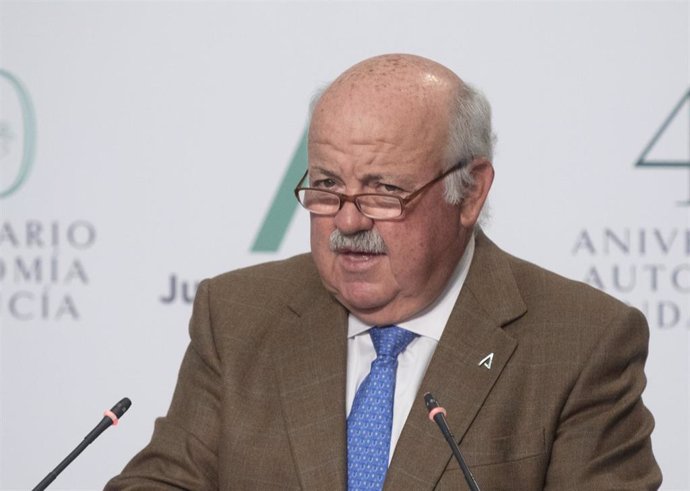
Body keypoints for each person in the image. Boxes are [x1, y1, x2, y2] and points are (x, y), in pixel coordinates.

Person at [106, 54, 662, 490]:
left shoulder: (582, 343)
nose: (348, 220)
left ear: (469, 192)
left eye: (384, 190)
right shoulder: (238, 315)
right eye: (327, 185)